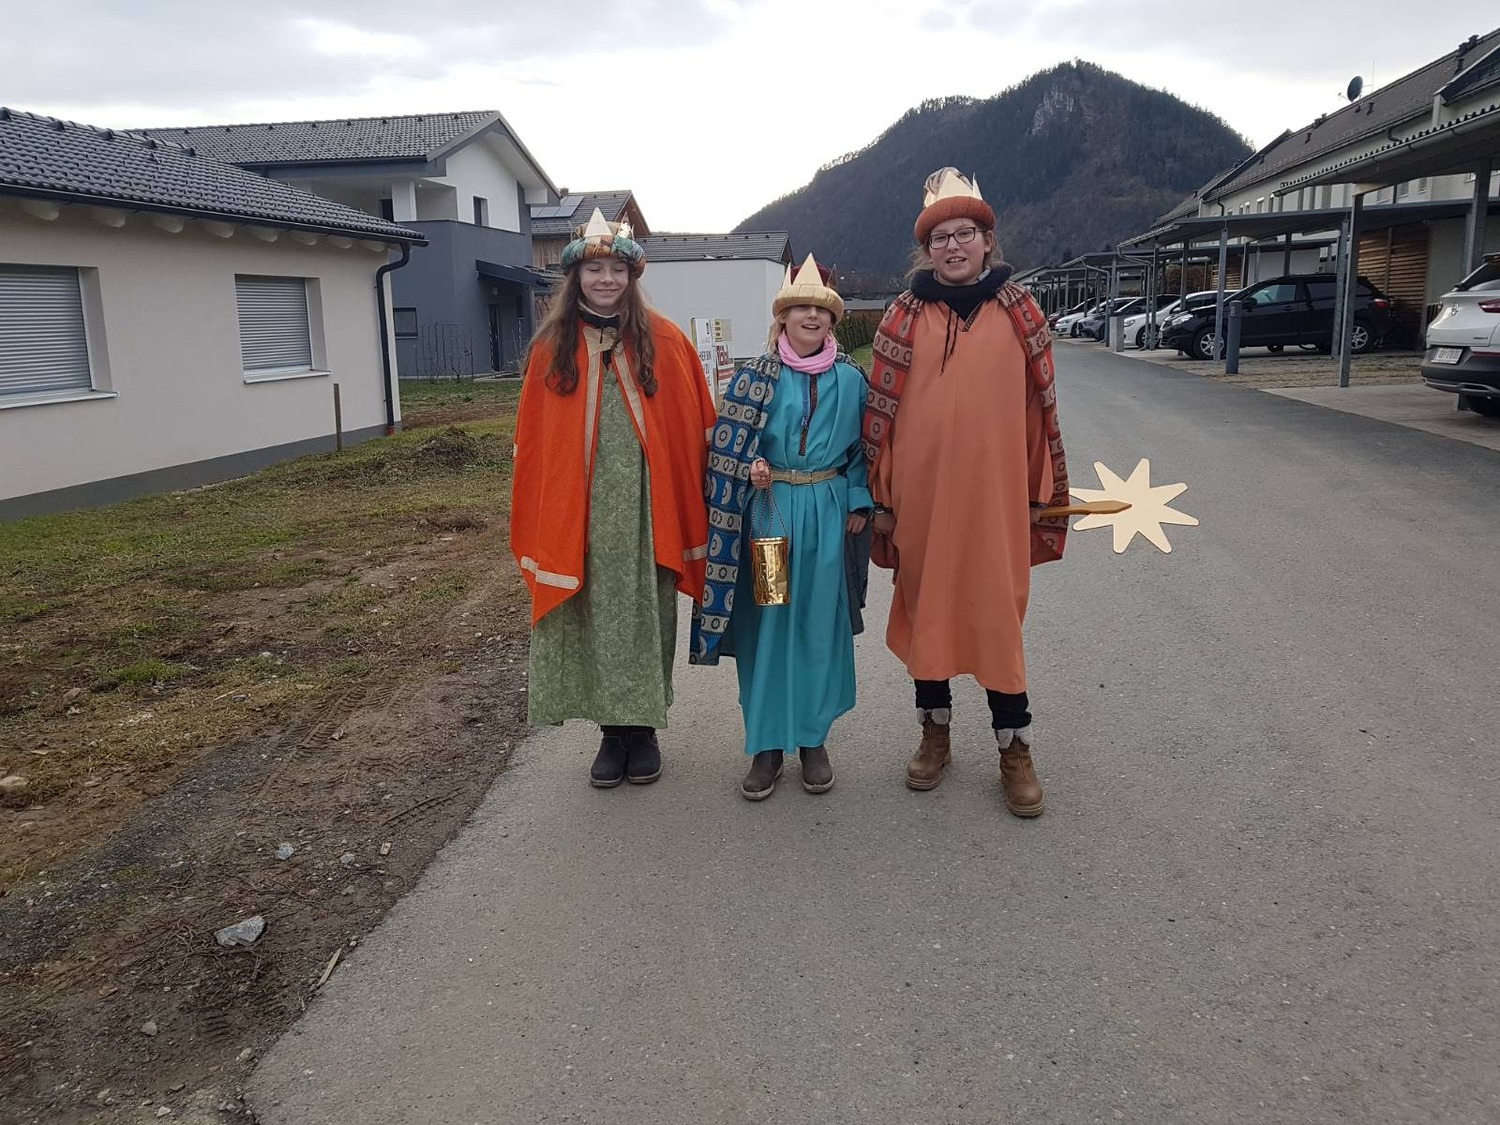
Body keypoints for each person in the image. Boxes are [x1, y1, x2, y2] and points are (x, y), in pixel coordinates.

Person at [862, 169, 1070, 817]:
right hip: (921, 502)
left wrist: (1038, 489)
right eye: (941, 238)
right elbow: (882, 416)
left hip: (996, 501)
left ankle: (1015, 749)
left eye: (964, 234)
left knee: (996, 619)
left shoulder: (1020, 312)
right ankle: (935, 734)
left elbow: (1039, 412)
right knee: (929, 612)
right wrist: (883, 498)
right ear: (927, 249)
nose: (953, 246)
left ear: (986, 241)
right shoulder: (902, 316)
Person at [511, 209, 715, 787]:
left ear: (632, 277)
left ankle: (642, 730)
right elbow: (536, 441)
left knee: (644, 611)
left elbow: (694, 427)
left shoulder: (667, 342)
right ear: (576, 276)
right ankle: (610, 731)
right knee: (593, 614)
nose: (606, 279)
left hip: (649, 510)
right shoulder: (551, 348)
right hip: (580, 512)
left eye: (617, 270)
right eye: (595, 269)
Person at [691, 256, 872, 801]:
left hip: (828, 515)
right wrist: (748, 467)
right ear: (783, 318)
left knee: (819, 624)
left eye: (821, 309)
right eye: (800, 308)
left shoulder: (851, 379)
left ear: (832, 319)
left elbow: (865, 451)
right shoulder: (754, 378)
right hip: (769, 514)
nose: (811, 317)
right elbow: (724, 448)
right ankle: (767, 744)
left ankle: (812, 739)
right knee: (768, 625)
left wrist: (858, 499)